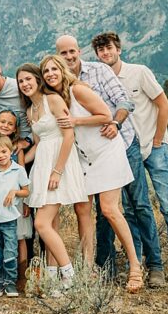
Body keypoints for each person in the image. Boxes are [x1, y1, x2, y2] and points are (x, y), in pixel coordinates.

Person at [53, 34, 163, 285]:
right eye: (63, 53)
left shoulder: (97, 72)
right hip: (82, 156)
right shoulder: (56, 85)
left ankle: (147, 266)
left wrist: (115, 122)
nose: (69, 57)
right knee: (85, 210)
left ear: (79, 51)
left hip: (117, 144)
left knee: (128, 206)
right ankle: (96, 269)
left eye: (72, 51)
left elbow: (122, 102)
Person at [92, 32, 168, 286]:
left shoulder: (139, 72)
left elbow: (164, 105)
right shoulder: (101, 81)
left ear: (119, 49)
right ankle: (139, 262)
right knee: (133, 208)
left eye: (109, 49)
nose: (106, 54)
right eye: (101, 51)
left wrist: (158, 140)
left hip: (153, 146)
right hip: (126, 150)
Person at [41, 54, 143, 293]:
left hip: (105, 151)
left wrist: (75, 121)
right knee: (82, 210)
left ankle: (135, 266)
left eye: (54, 69)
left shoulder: (78, 90)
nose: (51, 74)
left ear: (62, 70)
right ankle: (88, 269)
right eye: (46, 71)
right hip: (82, 158)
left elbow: (105, 116)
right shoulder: (55, 98)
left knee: (109, 209)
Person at [17, 63, 86, 294]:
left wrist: (57, 171)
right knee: (52, 225)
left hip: (60, 164)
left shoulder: (53, 100)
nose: (25, 84)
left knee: (41, 224)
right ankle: (52, 281)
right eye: (21, 81)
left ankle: (70, 276)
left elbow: (68, 136)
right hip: (42, 164)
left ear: (38, 79)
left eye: (28, 79)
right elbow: (38, 144)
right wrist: (17, 162)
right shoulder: (30, 110)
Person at [0, 111, 33, 291]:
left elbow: (23, 177)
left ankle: (21, 277)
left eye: (10, 124)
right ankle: (1, 278)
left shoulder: (17, 149)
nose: (5, 126)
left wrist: (26, 203)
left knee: (19, 237)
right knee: (0, 240)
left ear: (15, 128)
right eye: (3, 122)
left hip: (16, 201)